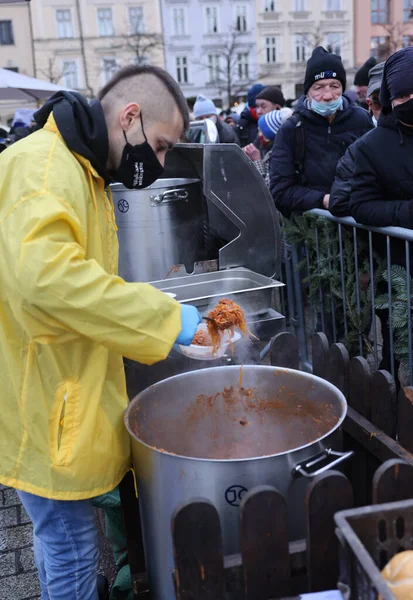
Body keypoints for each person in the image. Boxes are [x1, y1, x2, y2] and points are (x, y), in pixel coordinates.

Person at [0, 64, 202, 599]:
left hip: (53, 393)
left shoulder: (79, 169)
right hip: (43, 401)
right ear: (130, 117)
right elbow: (49, 281)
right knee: (70, 547)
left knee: (58, 541)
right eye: (159, 146)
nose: (158, 163)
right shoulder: (44, 167)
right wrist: (166, 319)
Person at [269, 46, 372, 218]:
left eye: (334, 86)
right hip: (312, 232)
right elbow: (280, 191)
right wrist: (323, 200)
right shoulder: (291, 130)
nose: (328, 95)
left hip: (358, 228)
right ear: (307, 91)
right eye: (319, 87)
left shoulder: (361, 120)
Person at [349, 46, 413, 228]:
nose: (411, 100)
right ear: (389, 100)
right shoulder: (370, 146)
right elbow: (361, 207)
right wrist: (407, 211)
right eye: (402, 96)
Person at [329, 61, 384, 217]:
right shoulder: (360, 149)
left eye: (399, 97)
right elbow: (338, 202)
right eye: (379, 102)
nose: (389, 109)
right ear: (369, 104)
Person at [244, 108, 293, 186]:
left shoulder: (276, 154)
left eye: (262, 132)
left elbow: (265, 186)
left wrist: (257, 160)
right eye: (258, 131)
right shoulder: (265, 147)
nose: (259, 135)